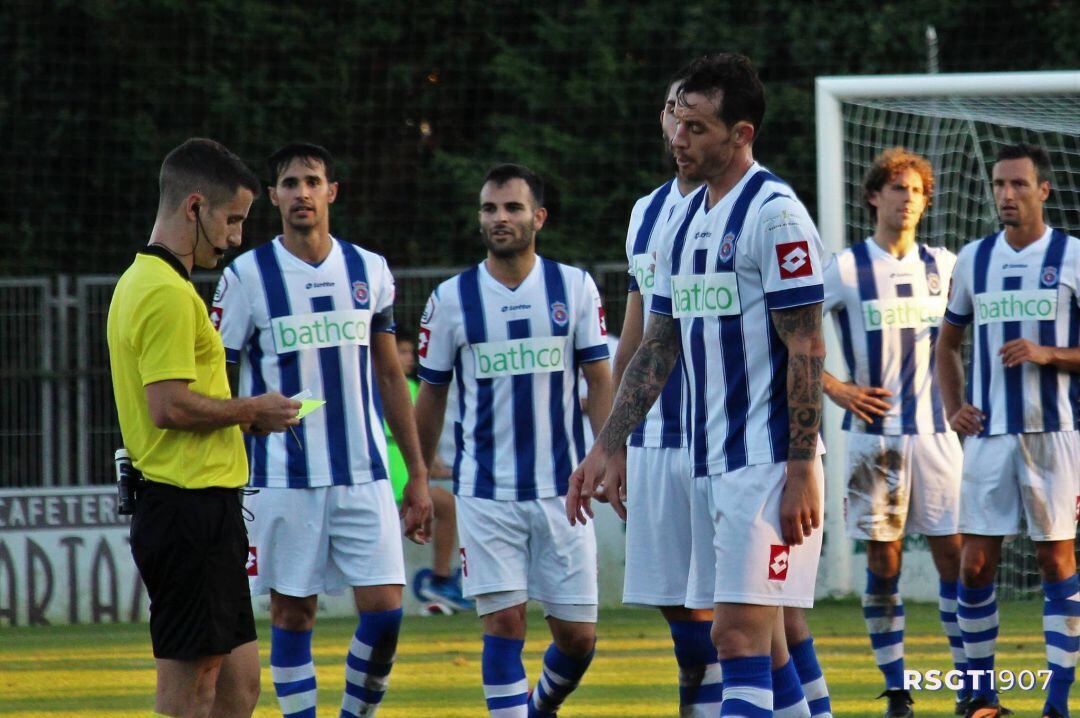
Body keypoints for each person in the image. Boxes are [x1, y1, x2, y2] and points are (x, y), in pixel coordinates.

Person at [567, 53, 828, 718]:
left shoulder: (777, 216)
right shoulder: (678, 222)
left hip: (766, 463)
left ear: (742, 134)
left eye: (697, 128)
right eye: (675, 123)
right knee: (755, 645)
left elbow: (805, 347)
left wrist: (801, 467)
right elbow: (657, 346)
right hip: (709, 461)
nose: (677, 139)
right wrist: (606, 446)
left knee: (736, 635)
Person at [212, 142, 432, 718]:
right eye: (289, 183)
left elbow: (390, 373)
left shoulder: (369, 269)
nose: (301, 192)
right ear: (273, 196)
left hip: (364, 471)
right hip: (281, 476)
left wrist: (416, 476)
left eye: (312, 181)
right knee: (292, 614)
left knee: (385, 612)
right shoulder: (246, 276)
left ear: (331, 191)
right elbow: (217, 375)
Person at [107, 137, 301, 718]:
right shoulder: (165, 293)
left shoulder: (150, 283)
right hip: (184, 508)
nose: (238, 236)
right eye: (233, 219)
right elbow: (168, 406)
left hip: (206, 509)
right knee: (192, 688)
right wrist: (252, 411)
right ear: (196, 207)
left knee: (238, 685)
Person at [413, 163, 614, 717]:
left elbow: (600, 380)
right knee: (504, 623)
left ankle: (541, 705)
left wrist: (609, 454)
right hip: (485, 490)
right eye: (489, 209)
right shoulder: (451, 299)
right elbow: (429, 396)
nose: (499, 218)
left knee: (578, 637)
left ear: (538, 217)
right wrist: (417, 477)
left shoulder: (573, 287)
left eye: (512, 208)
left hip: (562, 488)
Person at [937, 143, 1080, 718]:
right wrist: (954, 407)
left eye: (1019, 184)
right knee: (974, 563)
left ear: (1044, 190)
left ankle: (1057, 700)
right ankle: (980, 696)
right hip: (991, 436)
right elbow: (946, 345)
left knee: (1056, 561)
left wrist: (1048, 353)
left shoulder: (1072, 256)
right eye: (999, 185)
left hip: (1057, 433)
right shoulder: (973, 259)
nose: (1007, 195)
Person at [821, 147, 964, 717]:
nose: (907, 200)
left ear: (927, 202)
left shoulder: (947, 266)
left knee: (957, 557)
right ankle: (898, 689)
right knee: (884, 562)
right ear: (874, 197)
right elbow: (784, 333)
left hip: (937, 438)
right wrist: (837, 387)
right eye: (897, 189)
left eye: (917, 191)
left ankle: (972, 683)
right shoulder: (845, 268)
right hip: (872, 439)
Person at [389, 335, 472, 613]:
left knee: (447, 505)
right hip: (380, 476)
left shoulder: (413, 387)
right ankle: (438, 580)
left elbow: (419, 432)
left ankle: (440, 579)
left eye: (410, 351)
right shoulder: (371, 385)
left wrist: (431, 464)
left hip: (403, 476)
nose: (409, 357)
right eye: (401, 351)